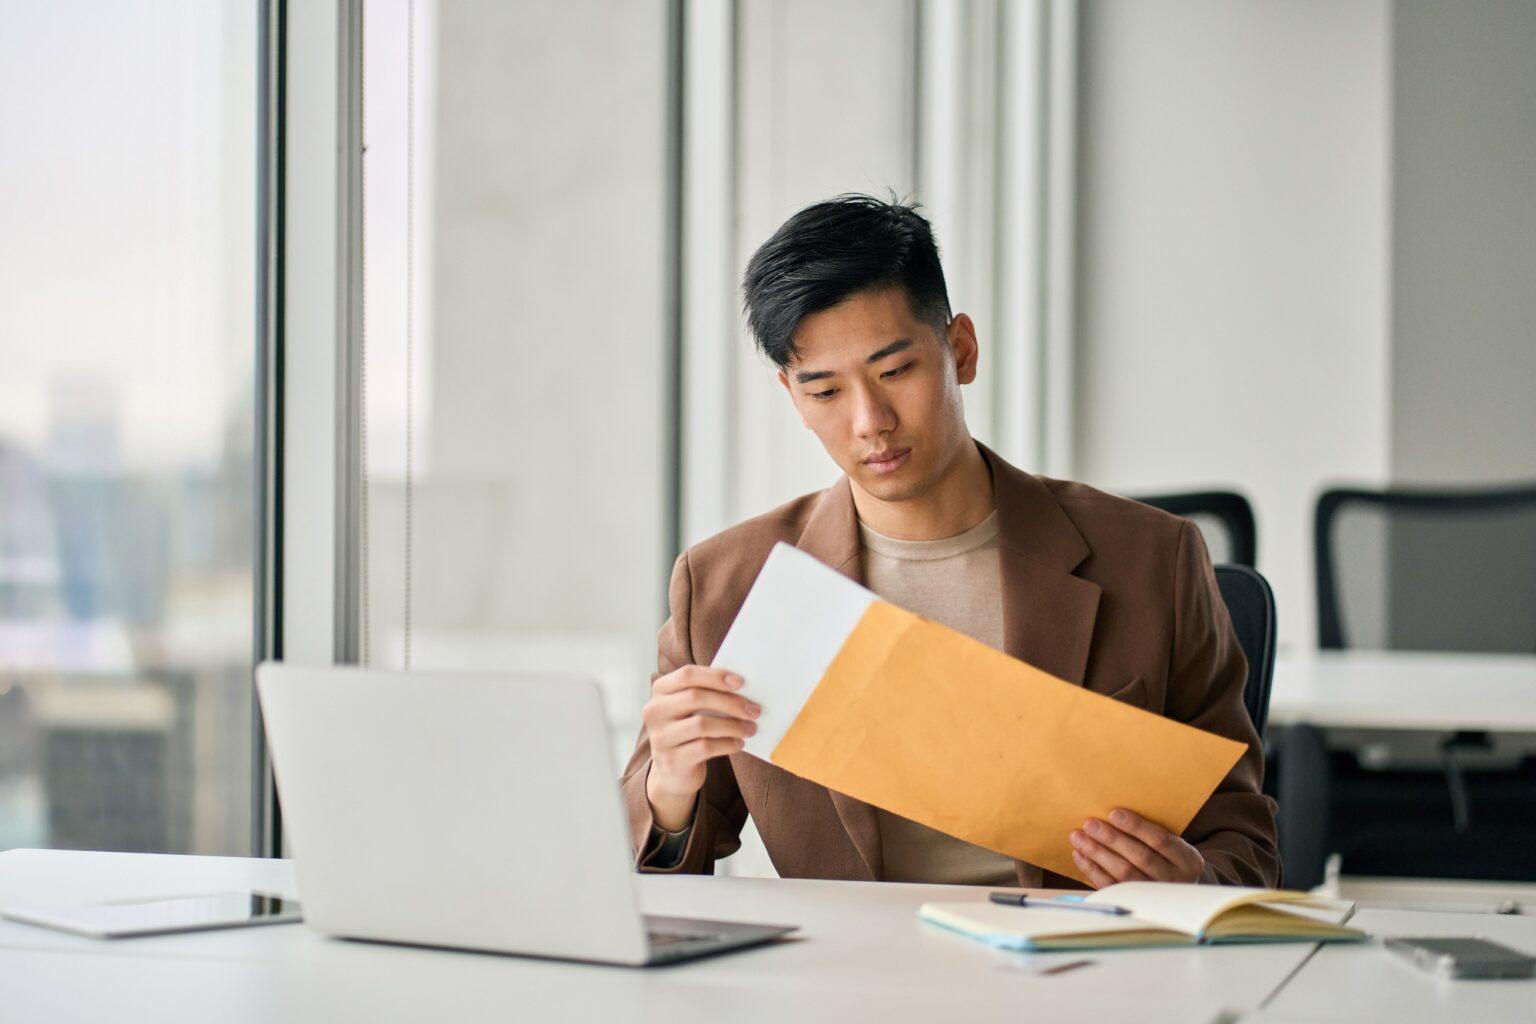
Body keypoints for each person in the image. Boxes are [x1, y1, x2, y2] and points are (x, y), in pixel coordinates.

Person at [620, 195, 1279, 888]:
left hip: (1081, 972)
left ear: (959, 350)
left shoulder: (1153, 560)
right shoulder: (729, 586)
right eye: (825, 393)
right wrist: (668, 793)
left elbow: (1247, 842)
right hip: (848, 980)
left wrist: (1193, 883)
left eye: (895, 372)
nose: (869, 420)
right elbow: (655, 878)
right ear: (791, 395)